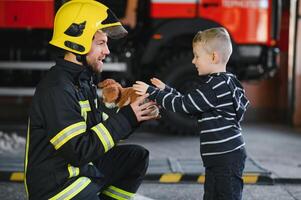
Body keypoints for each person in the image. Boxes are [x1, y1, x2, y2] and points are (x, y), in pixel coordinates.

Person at [24, 0, 157, 199]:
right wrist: (127, 118)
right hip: (58, 187)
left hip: (79, 170)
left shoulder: (82, 81)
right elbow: (79, 151)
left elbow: (99, 131)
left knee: (136, 157)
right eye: (101, 43)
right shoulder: (57, 89)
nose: (107, 51)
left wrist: (135, 114)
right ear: (77, 41)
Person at [133, 27, 250, 200]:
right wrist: (168, 90)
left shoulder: (215, 86)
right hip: (222, 156)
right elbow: (192, 103)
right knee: (212, 195)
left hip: (225, 158)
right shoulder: (223, 81)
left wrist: (153, 92)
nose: (193, 61)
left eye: (197, 56)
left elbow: (185, 106)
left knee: (227, 196)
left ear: (213, 57)